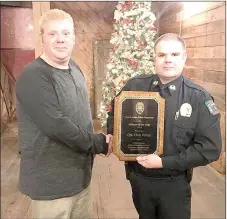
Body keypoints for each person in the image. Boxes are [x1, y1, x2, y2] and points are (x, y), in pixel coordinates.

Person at [107, 33, 222, 219]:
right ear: (155, 58)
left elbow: (210, 149)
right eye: (162, 55)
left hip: (174, 184)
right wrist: (113, 135)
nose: (168, 60)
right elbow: (115, 113)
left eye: (174, 55)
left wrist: (163, 163)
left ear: (184, 58)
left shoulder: (198, 98)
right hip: (140, 180)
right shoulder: (135, 86)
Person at [16, 9, 112, 219]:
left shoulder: (74, 67)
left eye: (66, 33)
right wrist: (98, 142)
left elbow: (80, 116)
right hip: (51, 187)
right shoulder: (34, 76)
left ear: (74, 37)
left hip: (80, 180)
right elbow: (56, 126)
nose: (61, 39)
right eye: (53, 34)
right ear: (42, 38)